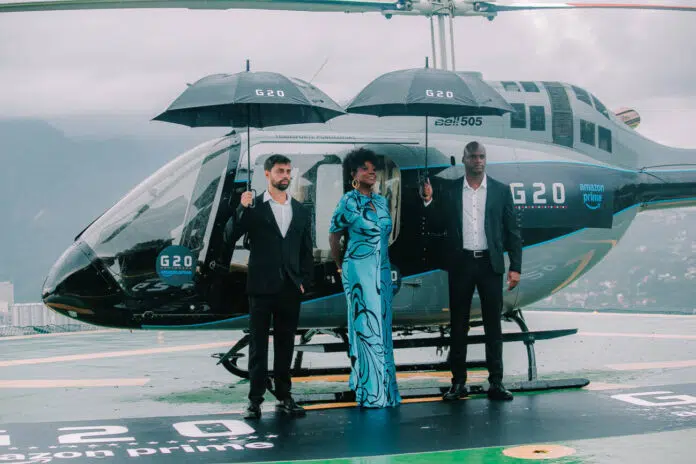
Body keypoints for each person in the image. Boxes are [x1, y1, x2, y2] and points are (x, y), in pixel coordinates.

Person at [426, 141, 522, 401]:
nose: (478, 161)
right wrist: (429, 200)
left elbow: (512, 231)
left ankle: (496, 383)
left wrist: (515, 267)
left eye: (481, 156)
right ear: (464, 160)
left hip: (490, 265)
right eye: (473, 157)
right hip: (462, 264)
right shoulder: (451, 190)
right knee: (458, 326)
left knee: (493, 326)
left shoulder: (501, 191)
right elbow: (437, 224)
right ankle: (458, 383)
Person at [226, 154, 314, 419]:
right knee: (258, 346)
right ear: (267, 174)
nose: (285, 175)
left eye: (288, 171)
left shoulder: (300, 210)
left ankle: (285, 396)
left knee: (286, 344)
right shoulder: (254, 207)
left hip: (290, 287)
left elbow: (306, 251)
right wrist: (242, 208)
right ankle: (255, 401)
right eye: (280, 171)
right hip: (261, 287)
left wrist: (303, 281)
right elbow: (230, 234)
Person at [328, 148, 401, 408]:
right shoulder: (348, 201)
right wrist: (341, 267)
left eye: (374, 169)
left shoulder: (381, 202)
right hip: (358, 269)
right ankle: (370, 393)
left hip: (382, 270)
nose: (371, 173)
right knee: (366, 328)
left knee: (383, 328)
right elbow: (334, 236)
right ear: (354, 174)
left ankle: (386, 391)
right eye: (365, 168)